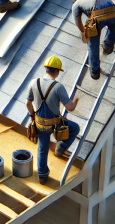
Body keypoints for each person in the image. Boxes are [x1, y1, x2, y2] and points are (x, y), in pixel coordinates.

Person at [25, 56, 80, 185]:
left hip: (40, 124)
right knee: (74, 128)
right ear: (57, 71)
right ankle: (60, 148)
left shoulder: (34, 82)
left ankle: (42, 176)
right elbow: (70, 108)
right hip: (55, 124)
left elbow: (28, 103)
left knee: (42, 149)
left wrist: (32, 115)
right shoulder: (58, 87)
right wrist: (75, 102)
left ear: (46, 69)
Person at [72, 0, 115, 80]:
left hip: (97, 15)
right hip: (112, 11)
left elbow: (78, 22)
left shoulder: (76, 4)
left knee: (92, 45)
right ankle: (108, 46)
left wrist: (85, 33)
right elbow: (111, 1)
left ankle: (95, 72)